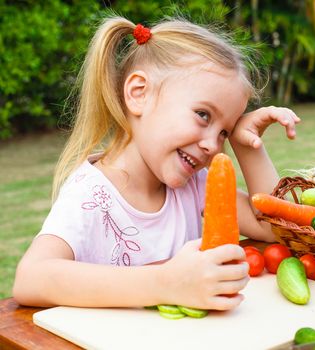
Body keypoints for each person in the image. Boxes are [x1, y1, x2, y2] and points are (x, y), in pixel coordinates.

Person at [13, 16, 300, 311]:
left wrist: (246, 144)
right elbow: (31, 279)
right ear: (139, 93)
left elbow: (275, 230)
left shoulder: (194, 187)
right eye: (203, 115)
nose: (213, 145)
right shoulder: (90, 195)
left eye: (224, 131)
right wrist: (165, 283)